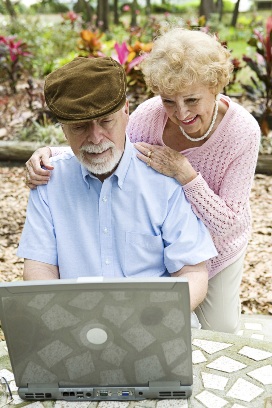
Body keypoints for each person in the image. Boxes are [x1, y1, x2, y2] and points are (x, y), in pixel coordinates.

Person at [24, 28, 261, 334]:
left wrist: (186, 175)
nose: (181, 113)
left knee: (222, 329)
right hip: (176, 232)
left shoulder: (242, 132)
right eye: (169, 101)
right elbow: (110, 148)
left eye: (191, 99)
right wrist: (50, 155)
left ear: (215, 88)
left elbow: (228, 222)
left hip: (221, 236)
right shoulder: (148, 117)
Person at [18, 56, 218, 316]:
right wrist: (60, 319)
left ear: (126, 112)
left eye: (105, 122)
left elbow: (192, 272)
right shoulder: (48, 182)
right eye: (79, 127)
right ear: (63, 130)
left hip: (155, 321)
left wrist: (158, 316)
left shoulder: (163, 178)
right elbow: (39, 268)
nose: (95, 138)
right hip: (75, 322)